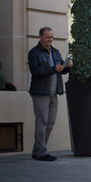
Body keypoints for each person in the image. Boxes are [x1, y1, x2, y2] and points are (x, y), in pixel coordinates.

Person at [28, 27, 72, 161]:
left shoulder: (56, 52)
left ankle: (37, 150)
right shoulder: (34, 53)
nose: (50, 40)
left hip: (54, 92)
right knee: (41, 122)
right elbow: (35, 71)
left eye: (51, 37)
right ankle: (41, 152)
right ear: (40, 37)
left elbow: (61, 71)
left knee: (50, 122)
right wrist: (53, 69)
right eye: (47, 37)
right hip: (41, 92)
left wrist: (67, 67)